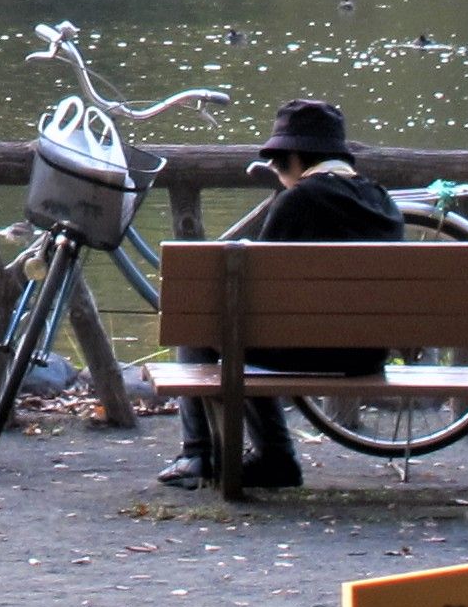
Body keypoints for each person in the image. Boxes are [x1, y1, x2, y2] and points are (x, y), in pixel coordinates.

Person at [157, 96, 404, 492]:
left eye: (277, 160)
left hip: (307, 350)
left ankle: (203, 453)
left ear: (293, 156)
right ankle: (258, 456)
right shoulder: (381, 198)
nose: (275, 169)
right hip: (367, 354)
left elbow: (258, 291)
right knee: (245, 335)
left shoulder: (300, 200)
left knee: (204, 322)